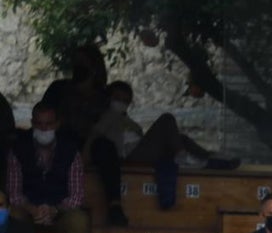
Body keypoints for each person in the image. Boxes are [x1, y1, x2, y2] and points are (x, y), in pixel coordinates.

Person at [90, 80, 238, 215]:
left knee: (180, 138)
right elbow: (95, 136)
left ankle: (209, 157)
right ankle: (182, 156)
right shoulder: (108, 116)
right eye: (117, 98)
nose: (121, 103)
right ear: (109, 98)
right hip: (129, 155)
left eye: (125, 100)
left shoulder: (127, 120)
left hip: (142, 150)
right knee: (166, 119)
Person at [5, 101, 90, 233]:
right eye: (39, 124)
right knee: (12, 215)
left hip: (60, 214)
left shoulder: (71, 151)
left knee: (79, 220)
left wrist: (54, 210)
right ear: (32, 123)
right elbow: (14, 193)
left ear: (57, 124)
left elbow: (77, 196)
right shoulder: (18, 149)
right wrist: (32, 209)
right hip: (28, 213)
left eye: (49, 124)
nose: (44, 128)